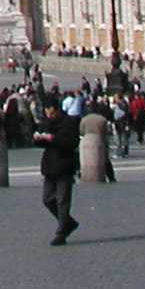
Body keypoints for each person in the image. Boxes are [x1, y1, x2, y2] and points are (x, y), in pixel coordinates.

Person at [35, 94, 81, 246]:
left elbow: (72, 143)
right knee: (47, 199)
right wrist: (38, 140)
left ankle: (61, 232)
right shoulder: (47, 123)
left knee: (62, 200)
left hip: (65, 165)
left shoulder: (70, 123)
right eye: (47, 114)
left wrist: (55, 140)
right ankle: (68, 222)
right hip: (49, 166)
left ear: (58, 110)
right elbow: (43, 144)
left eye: (52, 113)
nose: (50, 116)